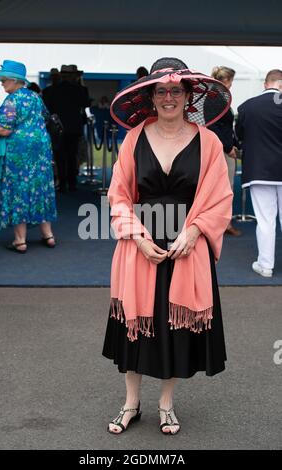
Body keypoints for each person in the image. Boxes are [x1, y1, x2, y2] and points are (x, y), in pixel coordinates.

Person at [102, 57, 233, 434]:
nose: (169, 97)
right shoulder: (133, 138)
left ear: (189, 95)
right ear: (151, 96)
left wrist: (194, 233)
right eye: (161, 91)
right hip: (139, 245)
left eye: (176, 90)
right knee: (134, 324)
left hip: (187, 248)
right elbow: (119, 195)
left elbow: (220, 199)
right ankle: (131, 404)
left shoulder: (209, 141)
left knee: (174, 328)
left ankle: (166, 404)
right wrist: (140, 238)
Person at [0, 60, 57, 252]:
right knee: (40, 189)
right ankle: (48, 235)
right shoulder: (35, 97)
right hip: (40, 150)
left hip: (19, 152)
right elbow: (46, 117)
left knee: (18, 192)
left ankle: (20, 240)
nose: (1, 83)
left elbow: (4, 130)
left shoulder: (12, 100)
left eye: (4, 79)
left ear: (15, 80)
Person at [235, 69, 282, 277]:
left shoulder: (247, 106)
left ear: (266, 83)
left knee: (265, 220)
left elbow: (239, 137)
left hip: (258, 170)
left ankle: (266, 265)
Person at [43, 64, 90, 192]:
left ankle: (62, 183)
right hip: (73, 127)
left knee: (60, 156)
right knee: (72, 155)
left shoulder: (51, 90)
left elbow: (48, 109)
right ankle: (72, 183)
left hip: (57, 128)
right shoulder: (80, 89)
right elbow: (85, 103)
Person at [209, 66, 241, 236]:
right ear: (226, 80)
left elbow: (224, 127)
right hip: (221, 150)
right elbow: (215, 127)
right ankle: (224, 224)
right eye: (231, 81)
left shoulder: (217, 97)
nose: (232, 85)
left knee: (221, 188)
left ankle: (220, 223)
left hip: (222, 148)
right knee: (225, 188)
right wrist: (229, 148)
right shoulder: (216, 99)